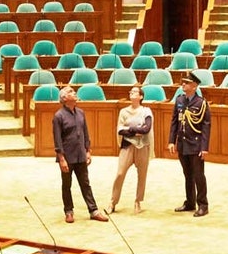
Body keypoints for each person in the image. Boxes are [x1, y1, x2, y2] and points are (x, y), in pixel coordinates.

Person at [52, 85, 107, 223]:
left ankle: (93, 210)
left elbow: (85, 133)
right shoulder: (58, 116)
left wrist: (88, 150)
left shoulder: (81, 113)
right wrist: (61, 159)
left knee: (85, 183)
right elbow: (57, 139)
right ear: (64, 98)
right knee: (67, 185)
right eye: (70, 91)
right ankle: (68, 211)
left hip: (80, 154)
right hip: (67, 156)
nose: (74, 92)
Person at [168, 71, 211, 217]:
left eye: (186, 83)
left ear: (194, 86)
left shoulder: (201, 103)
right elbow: (175, 121)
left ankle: (203, 204)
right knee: (187, 175)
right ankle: (190, 202)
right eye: (183, 82)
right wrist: (171, 141)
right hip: (182, 143)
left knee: (199, 175)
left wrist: (204, 148)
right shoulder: (180, 100)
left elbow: (206, 126)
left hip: (196, 145)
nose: (183, 85)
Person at [108, 86, 153, 214]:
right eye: (131, 92)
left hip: (142, 146)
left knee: (142, 175)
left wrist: (130, 129)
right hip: (127, 145)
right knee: (120, 173)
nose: (131, 93)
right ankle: (113, 202)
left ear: (141, 96)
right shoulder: (123, 112)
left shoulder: (146, 111)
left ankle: (138, 201)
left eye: (135, 92)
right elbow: (120, 130)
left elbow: (146, 129)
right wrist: (134, 131)